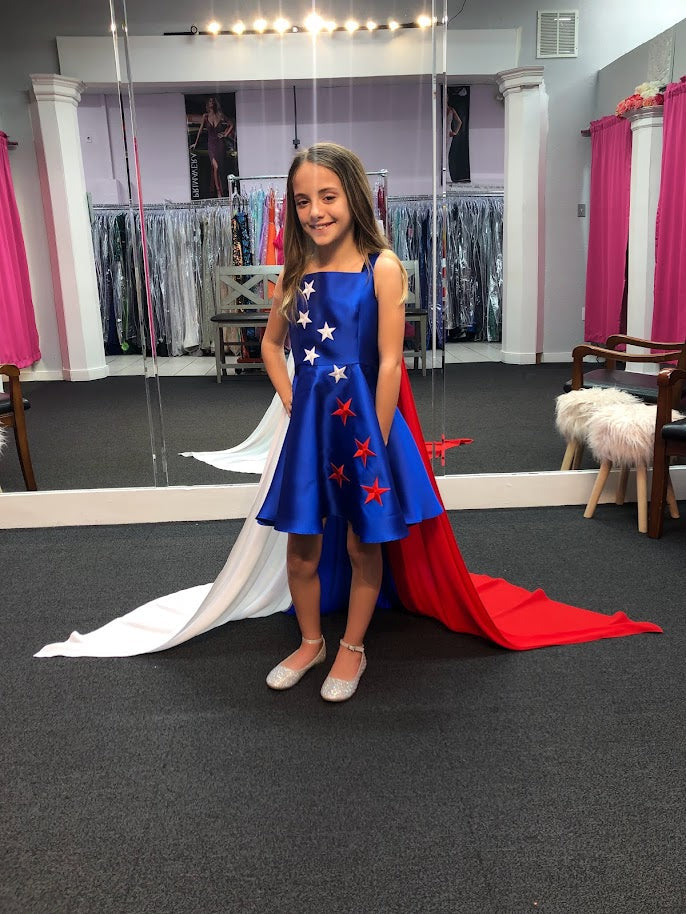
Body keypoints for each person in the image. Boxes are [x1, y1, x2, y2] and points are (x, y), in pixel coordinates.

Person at [257, 142, 443, 701]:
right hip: (313, 432)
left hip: (365, 430)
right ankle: (310, 641)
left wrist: (378, 440)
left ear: (353, 196)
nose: (315, 211)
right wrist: (292, 400)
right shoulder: (296, 271)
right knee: (301, 547)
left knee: (364, 544)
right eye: (302, 201)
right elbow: (270, 346)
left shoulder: (379, 267)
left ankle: (353, 647)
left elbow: (390, 363)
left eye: (328, 197)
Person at [190, 97, 234, 198]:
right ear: (208, 104)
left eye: (213, 101)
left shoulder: (220, 115)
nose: (212, 103)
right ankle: (218, 191)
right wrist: (195, 143)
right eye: (210, 101)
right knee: (216, 167)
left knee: (220, 168)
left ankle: (222, 189)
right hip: (211, 145)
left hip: (220, 144)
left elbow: (231, 124)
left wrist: (225, 134)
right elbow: (200, 130)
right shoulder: (205, 116)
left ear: (215, 103)